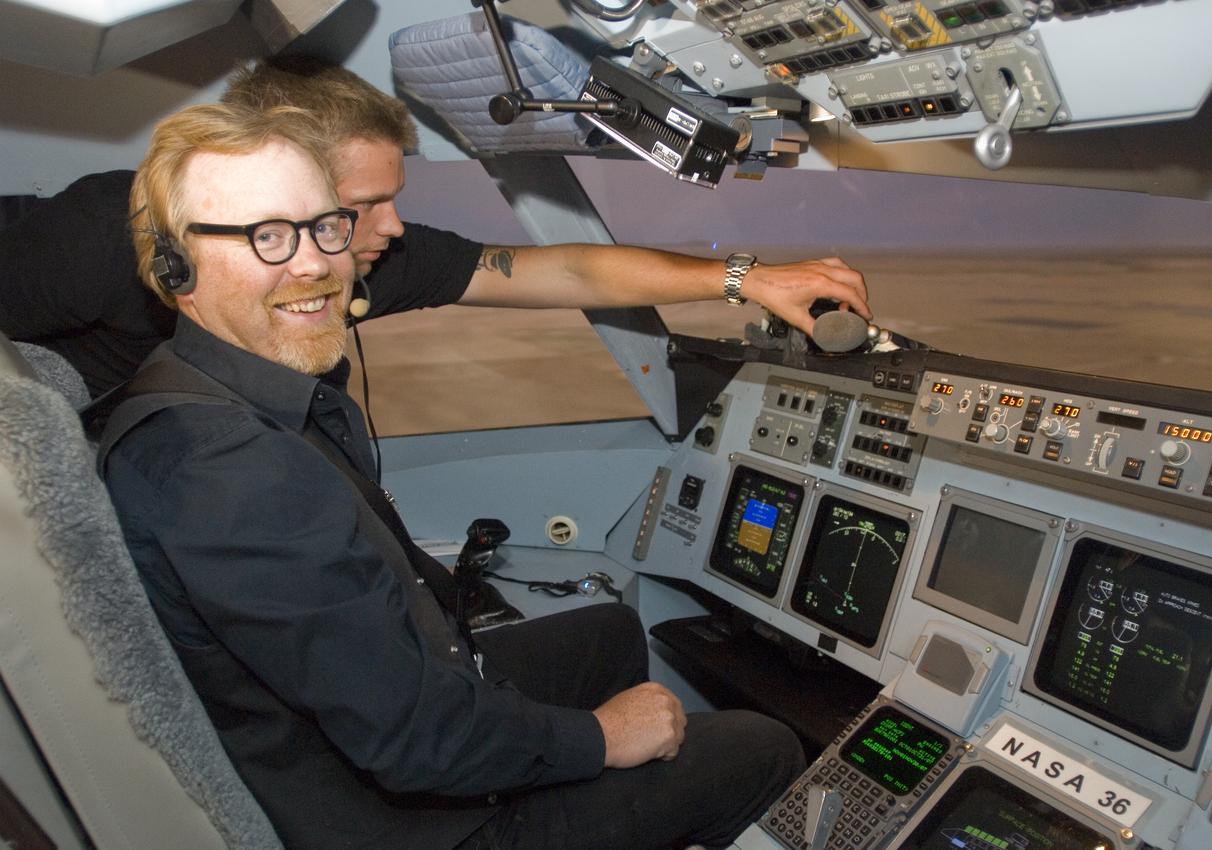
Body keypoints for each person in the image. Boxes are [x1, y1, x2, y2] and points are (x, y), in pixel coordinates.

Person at [99, 100, 806, 850]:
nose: (312, 263)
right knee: (759, 747)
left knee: (610, 633)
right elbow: (415, 740)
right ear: (173, 264)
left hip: (382, 718)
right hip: (412, 821)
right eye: (264, 236)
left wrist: (741, 278)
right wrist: (599, 739)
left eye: (323, 226)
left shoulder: (211, 386)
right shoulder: (227, 468)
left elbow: (560, 268)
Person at [0, 56, 871, 398]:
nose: (391, 228)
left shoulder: (361, 265)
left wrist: (747, 278)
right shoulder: (97, 238)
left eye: (390, 198)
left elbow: (562, 273)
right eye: (357, 208)